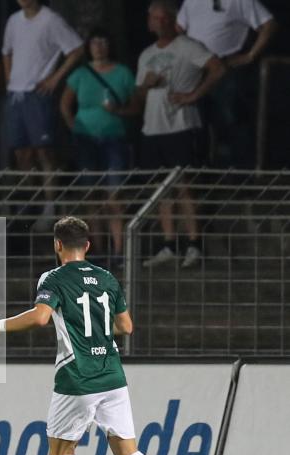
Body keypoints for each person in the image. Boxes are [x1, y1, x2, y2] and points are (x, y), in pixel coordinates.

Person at [0, 216, 194, 455]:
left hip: (77, 376)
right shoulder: (106, 278)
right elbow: (126, 326)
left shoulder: (54, 277)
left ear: (57, 245)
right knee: (129, 453)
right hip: (112, 374)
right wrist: (96, 324)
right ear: (89, 246)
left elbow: (40, 317)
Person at [125, 0, 224, 268]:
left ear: (170, 20)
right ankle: (169, 244)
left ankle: (194, 244)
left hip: (180, 125)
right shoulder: (146, 54)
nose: (154, 22)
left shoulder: (188, 46)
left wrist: (193, 95)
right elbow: (139, 94)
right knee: (161, 189)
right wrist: (146, 86)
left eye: (158, 17)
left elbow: (217, 68)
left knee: (184, 186)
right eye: (151, 18)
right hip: (152, 127)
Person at [2, 0, 84, 228]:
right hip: (16, 94)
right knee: (21, 154)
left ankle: (50, 206)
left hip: (38, 94)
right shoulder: (13, 20)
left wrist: (54, 78)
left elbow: (76, 49)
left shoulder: (51, 20)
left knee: (44, 152)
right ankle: (29, 206)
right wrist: (10, 79)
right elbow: (6, 51)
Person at [59, 28, 135, 263]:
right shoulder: (81, 74)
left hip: (114, 137)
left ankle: (120, 249)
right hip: (86, 139)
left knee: (114, 195)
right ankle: (99, 249)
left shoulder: (123, 73)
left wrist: (119, 111)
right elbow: (65, 104)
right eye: (95, 42)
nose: (99, 47)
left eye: (104, 42)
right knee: (92, 196)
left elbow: (136, 105)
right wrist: (75, 127)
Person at [177, 0, 277, 167]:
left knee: (231, 121)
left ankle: (239, 178)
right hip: (196, 70)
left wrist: (250, 55)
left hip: (226, 67)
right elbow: (179, 28)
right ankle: (203, 177)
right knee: (196, 124)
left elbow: (269, 24)